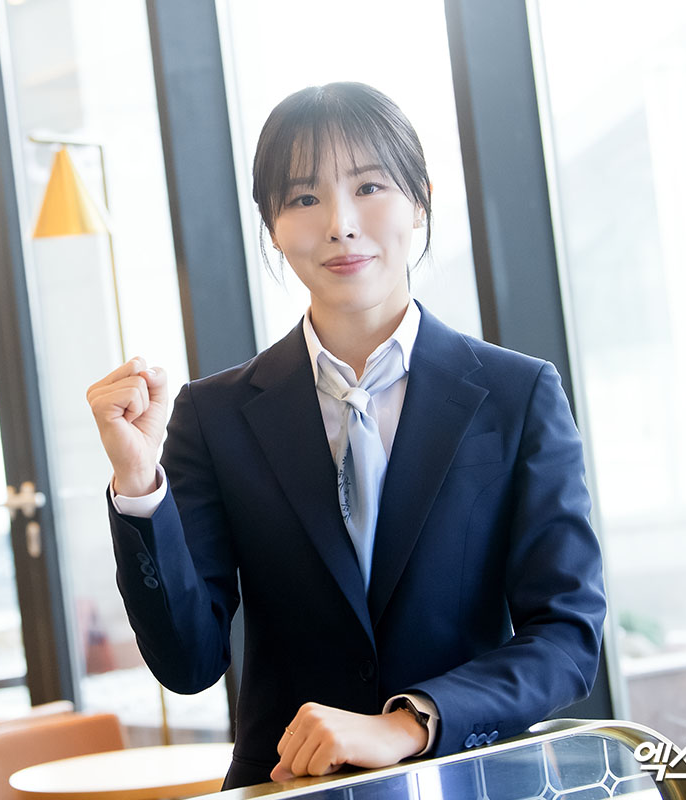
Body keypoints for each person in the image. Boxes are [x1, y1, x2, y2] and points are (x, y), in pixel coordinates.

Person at [86, 82, 606, 789]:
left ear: (420, 201)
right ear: (272, 226)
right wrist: (139, 484)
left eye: (369, 187)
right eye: (304, 198)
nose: (340, 224)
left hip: (466, 782)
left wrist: (409, 722)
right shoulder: (214, 415)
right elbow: (188, 663)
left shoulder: (518, 395)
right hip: (288, 786)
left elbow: (567, 636)